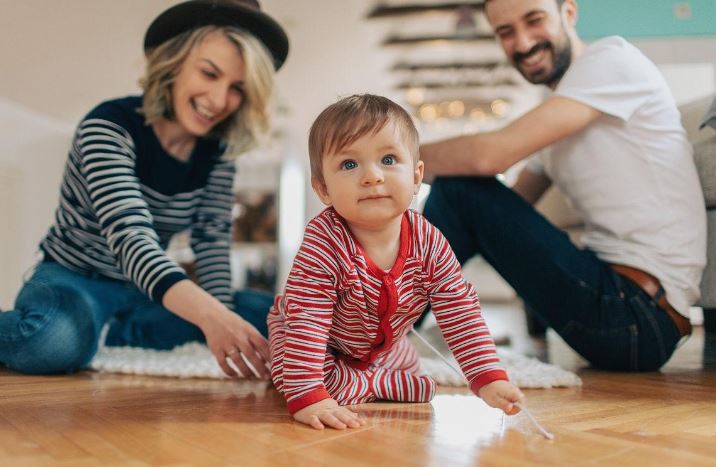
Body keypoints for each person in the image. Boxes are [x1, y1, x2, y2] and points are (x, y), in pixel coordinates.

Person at [0, 0, 289, 378]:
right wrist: (212, 316)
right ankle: (90, 329)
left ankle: (108, 332)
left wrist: (221, 319)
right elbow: (130, 237)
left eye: (237, 87)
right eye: (208, 73)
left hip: (146, 294)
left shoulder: (218, 154)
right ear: (174, 63)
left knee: (277, 319)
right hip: (75, 280)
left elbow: (211, 241)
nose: (219, 101)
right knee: (50, 343)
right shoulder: (107, 126)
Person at [420, 0, 706, 370]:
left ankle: (377, 340)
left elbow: (489, 158)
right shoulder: (560, 105)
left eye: (534, 20)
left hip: (637, 313)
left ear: (568, 13)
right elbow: (505, 206)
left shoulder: (611, 60)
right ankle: (376, 327)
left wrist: (388, 157)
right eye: (505, 32)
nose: (522, 43)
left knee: (458, 191)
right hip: (620, 305)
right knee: (463, 195)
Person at [268, 94, 524, 431]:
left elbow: (459, 309)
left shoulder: (429, 241)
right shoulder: (324, 241)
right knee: (289, 376)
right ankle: (375, 383)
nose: (372, 176)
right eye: (349, 164)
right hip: (313, 341)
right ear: (323, 189)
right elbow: (308, 319)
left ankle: (373, 378)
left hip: (383, 349)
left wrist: (487, 377)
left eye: (388, 159)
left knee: (410, 366)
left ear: (417, 176)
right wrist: (308, 394)